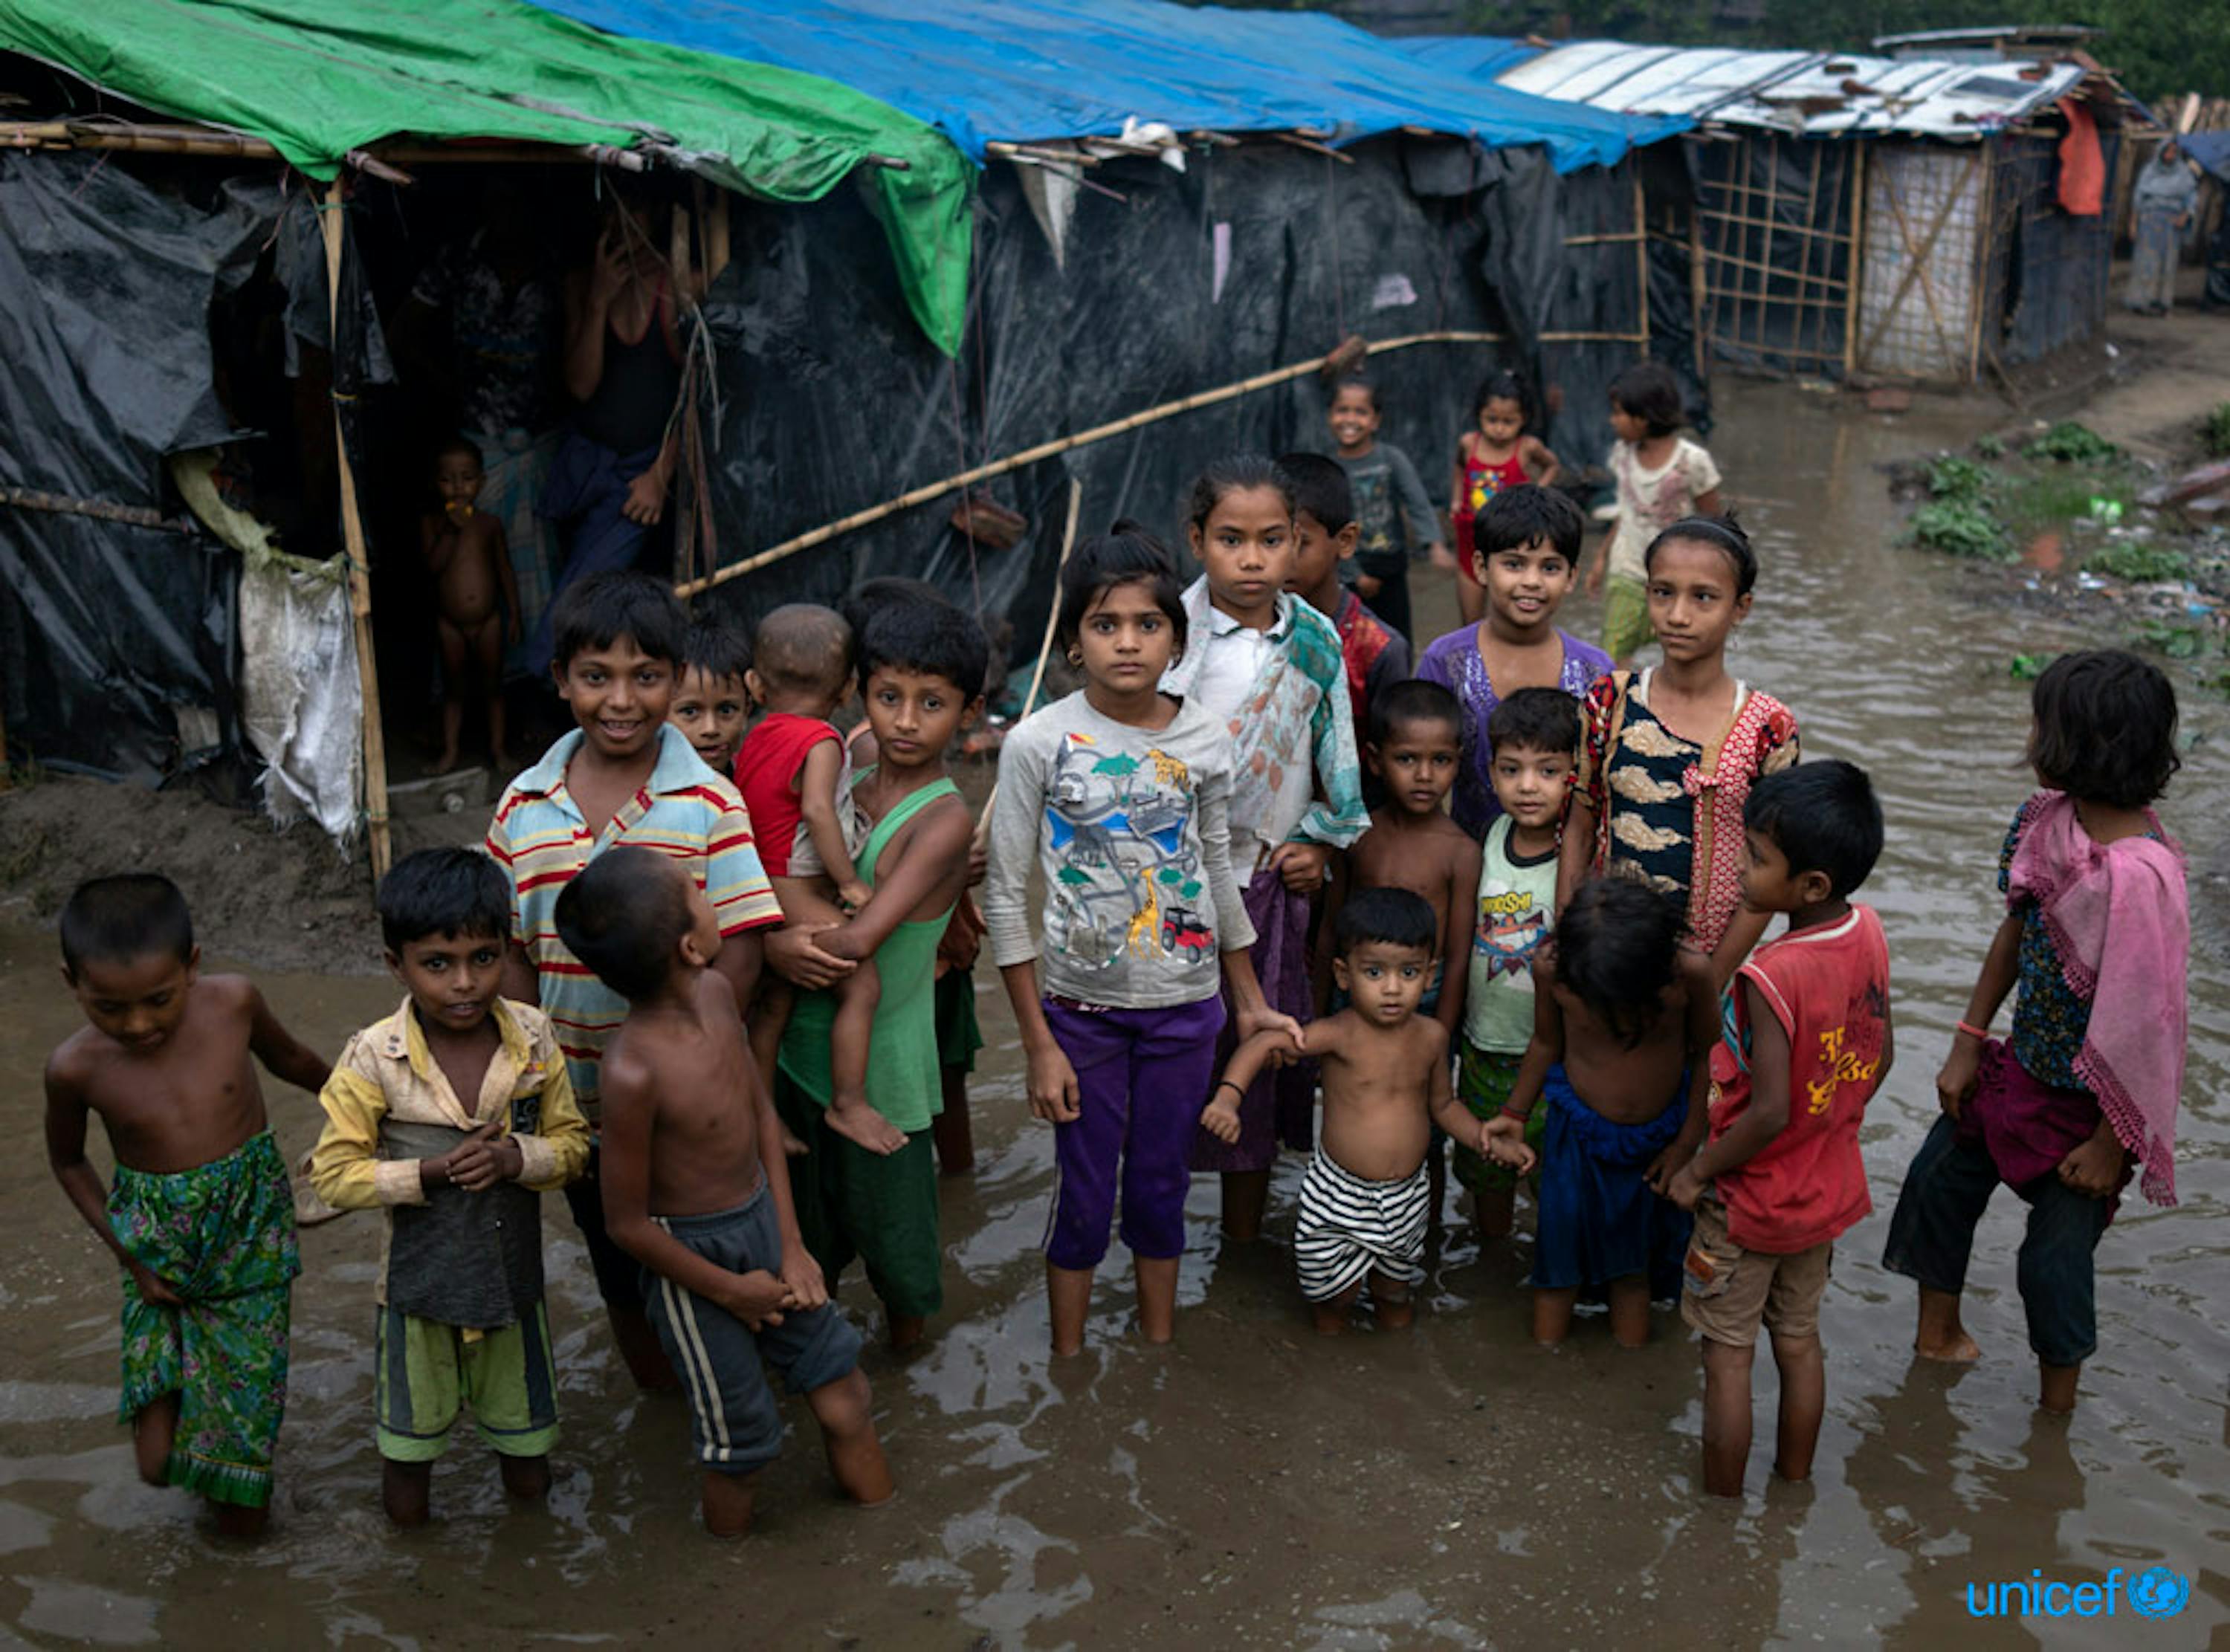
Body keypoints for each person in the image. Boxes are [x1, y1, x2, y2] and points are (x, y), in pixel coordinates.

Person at [986, 526, 1297, 1355]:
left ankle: (1158, 1352)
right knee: (1084, 1192)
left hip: (1185, 1010)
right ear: (1074, 643)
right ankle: (1070, 1362)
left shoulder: (1201, 739)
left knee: (1162, 1187)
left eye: (1146, 624)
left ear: (1177, 639)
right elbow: (1007, 897)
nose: (1127, 641)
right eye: (1104, 623)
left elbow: (1218, 873)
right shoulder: (1037, 743)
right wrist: (1038, 1044)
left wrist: (1252, 1001)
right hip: (1079, 1014)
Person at [486, 571, 783, 1390]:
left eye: (646, 677)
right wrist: (528, 1069)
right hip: (575, 1102)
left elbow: (746, 947)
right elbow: (512, 949)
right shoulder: (522, 805)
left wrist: (705, 1057)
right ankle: (658, 1396)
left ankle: (725, 1387)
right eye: (596, 677)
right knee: (617, 1251)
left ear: (675, 679)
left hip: (691, 1102)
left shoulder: (708, 802)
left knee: (716, 1239)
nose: (621, 700)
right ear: (561, 682)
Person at [1881, 650, 2188, 1416]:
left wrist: (2114, 1142)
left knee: (2052, 1265)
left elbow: (2148, 1024)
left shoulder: (2141, 875)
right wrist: (1965, 1041)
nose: (2030, 734)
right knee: (1934, 1187)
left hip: (2090, 1110)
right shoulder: (2043, 819)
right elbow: (2016, 932)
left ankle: (2055, 1415)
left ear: (2080, 742)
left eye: (2042, 722)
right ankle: (1937, 1338)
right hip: (2016, 1067)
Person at [554, 847, 893, 1537]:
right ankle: (730, 1584)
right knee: (743, 1443)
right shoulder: (631, 1070)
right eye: (700, 895)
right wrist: (729, 1290)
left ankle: (887, 1530)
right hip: (691, 1266)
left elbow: (760, 1115)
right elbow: (625, 1224)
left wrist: (794, 1248)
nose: (715, 903)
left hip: (764, 1223)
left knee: (845, 1394)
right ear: (689, 941)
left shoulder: (715, 996)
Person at [307, 849, 589, 1526]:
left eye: (483, 958)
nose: (464, 983)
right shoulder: (373, 1056)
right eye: (437, 964)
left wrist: (518, 1160)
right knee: (408, 1458)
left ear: (505, 950)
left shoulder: (533, 1037)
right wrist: (428, 1172)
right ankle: (415, 1586)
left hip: (512, 1285)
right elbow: (331, 1175)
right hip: (417, 1294)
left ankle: (531, 1566)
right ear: (394, 965)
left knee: (528, 1454)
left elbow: (575, 1145)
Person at [42, 874, 329, 1536]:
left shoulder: (234, 1003)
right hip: (153, 1247)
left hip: (250, 1237)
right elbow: (67, 1160)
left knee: (242, 1502)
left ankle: (237, 1518)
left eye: (158, 1000)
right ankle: (205, 1438)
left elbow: (295, 1061)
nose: (137, 1024)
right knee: (154, 1464)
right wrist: (130, 1255)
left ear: (193, 967)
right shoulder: (73, 1067)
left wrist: (368, 1111)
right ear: (71, 982)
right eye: (109, 1008)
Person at [1659, 762, 1892, 1497]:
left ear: (1811, 886)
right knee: (1797, 1344)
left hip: (1750, 1200)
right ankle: (1794, 1487)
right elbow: (1880, 1055)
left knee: (1726, 1357)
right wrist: (1834, 1124)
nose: (1740, 866)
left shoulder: (1771, 974)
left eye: (1757, 857)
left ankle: (1721, 1512)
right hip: (1825, 1192)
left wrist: (1697, 1173)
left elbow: (1767, 1112)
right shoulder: (1868, 931)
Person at [1161, 454, 1371, 1242]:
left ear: (1296, 545)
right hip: (1175, 887)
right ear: (1196, 540)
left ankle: (1241, 1248)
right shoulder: (1170, 635)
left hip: (1267, 884)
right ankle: (1162, 1239)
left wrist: (1319, 841)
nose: (1251, 561)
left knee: (1257, 1064)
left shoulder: (1315, 639)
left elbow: (1338, 768)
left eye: (1271, 540)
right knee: (1176, 1063)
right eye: (1230, 540)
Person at [772, 601, 984, 1351]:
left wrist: (772, 944)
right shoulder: (847, 768)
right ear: (860, 692)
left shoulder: (944, 819)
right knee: (807, 1242)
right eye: (888, 697)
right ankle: (824, 1361)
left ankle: (909, 1369)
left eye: (933, 705)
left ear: (969, 712)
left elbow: (859, 940)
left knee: (898, 1251)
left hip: (884, 1068)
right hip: (802, 1048)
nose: (905, 721)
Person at [1208, 889, 1493, 1334]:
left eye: (1410, 972)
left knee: (1395, 1294)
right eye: (1374, 972)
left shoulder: (1432, 1037)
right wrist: (1229, 1096)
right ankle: (1325, 1385)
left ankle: (1397, 1378)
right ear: (1344, 974)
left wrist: (1482, 1138)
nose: (1393, 988)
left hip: (1405, 1197)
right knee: (1332, 1301)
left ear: (1430, 974)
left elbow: (1444, 1105)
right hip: (1337, 1195)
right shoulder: (1338, 1034)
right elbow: (1267, 1042)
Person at [1563, 516, 1797, 988]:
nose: (1677, 615)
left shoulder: (1769, 728)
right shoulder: (1610, 701)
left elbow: (1772, 871)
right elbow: (1580, 826)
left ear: (1741, 607)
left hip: (1710, 970)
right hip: (1605, 957)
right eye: (1662, 592)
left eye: (1703, 597)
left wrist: (1710, 981)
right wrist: (1570, 940)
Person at [1482, 875, 1717, 1347]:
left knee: (1633, 1273)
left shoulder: (1689, 972)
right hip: (1576, 1134)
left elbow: (1709, 1053)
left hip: (1657, 1143)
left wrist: (1688, 1144)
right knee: (1557, 1262)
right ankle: (1543, 1374)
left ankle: (1626, 1381)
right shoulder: (1554, 969)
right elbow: (1547, 1041)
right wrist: (1515, 1113)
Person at [732, 605, 894, 1156]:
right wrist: (848, 883)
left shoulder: (753, 737)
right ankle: (848, 1102)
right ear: (850, 687)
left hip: (755, 886)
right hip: (796, 886)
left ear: (754, 683)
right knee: (864, 985)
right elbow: (820, 813)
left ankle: (761, 1117)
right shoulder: (821, 740)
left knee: (771, 1008)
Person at [401, 182, 566, 674]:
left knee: (539, 572)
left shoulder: (555, 265)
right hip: (477, 439)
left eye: (519, 202)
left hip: (541, 440)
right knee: (470, 567)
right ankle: (465, 697)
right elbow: (401, 332)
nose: (510, 213)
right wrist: (446, 383)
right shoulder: (456, 261)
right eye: (501, 201)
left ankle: (533, 685)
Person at [526, 191, 688, 673]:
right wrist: (599, 299)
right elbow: (580, 385)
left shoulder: (677, 288)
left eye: (633, 209)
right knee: (559, 578)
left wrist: (661, 472)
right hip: (581, 463)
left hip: (639, 472)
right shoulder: (584, 285)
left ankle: (545, 679)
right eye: (611, 213)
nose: (622, 225)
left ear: (656, 212)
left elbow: (699, 397)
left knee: (584, 588)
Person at [1452, 687, 1579, 1240]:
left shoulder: (1580, 854)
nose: (1528, 786)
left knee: (1554, 1179)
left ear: (1576, 773)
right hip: (1485, 1044)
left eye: (1548, 770)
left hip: (1554, 1055)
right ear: (1491, 771)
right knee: (1487, 1172)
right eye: (1512, 769)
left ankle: (1546, 1275)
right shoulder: (1492, 836)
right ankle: (1493, 1261)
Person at [1416, 485, 1609, 838]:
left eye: (1550, 567)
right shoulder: (1444, 662)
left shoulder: (1596, 674)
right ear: (1481, 567)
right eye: (1514, 564)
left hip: (1564, 862)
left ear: (1572, 578)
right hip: (1469, 858)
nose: (1531, 582)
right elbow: (1419, 771)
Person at [1325, 679, 1479, 1046]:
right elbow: (1330, 931)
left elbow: (1458, 958)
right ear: (1376, 761)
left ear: (1458, 761)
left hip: (1423, 997)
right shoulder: (1358, 836)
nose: (1424, 776)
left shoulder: (1461, 852)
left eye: (1440, 760)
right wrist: (1318, 1013)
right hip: (1355, 989)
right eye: (1407, 759)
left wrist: (1440, 1036)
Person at [1276, 451, 1410, 771]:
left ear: (1346, 541)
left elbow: (1393, 766)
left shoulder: (1379, 650)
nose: (1282, 558)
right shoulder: (1246, 629)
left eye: (1300, 542)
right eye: (1271, 540)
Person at [1584, 363, 1722, 671]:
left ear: (1643, 419)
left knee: (1681, 650)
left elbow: (1714, 524)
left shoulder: (1691, 462)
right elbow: (1625, 512)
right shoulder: (1623, 454)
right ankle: (1617, 711)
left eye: (1619, 413)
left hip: (1677, 578)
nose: (1613, 420)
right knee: (1613, 652)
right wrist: (1600, 558)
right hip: (1627, 570)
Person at [421, 435, 521, 774]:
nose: (458, 487)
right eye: (448, 480)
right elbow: (432, 568)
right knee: (454, 689)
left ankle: (498, 750)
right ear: (436, 484)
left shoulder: (488, 524)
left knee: (494, 687)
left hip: (489, 620)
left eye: (467, 478)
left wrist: (514, 615)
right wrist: (450, 531)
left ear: (481, 481)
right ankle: (450, 753)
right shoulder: (433, 524)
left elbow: (504, 569)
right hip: (450, 623)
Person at [1327, 375, 1447, 645]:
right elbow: (1329, 527)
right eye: (1342, 410)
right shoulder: (1330, 468)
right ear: (1330, 415)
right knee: (1352, 642)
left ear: (1375, 421)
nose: (1350, 419)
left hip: (1391, 568)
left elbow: (1416, 500)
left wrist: (1434, 543)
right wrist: (1355, 575)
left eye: (1360, 412)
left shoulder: (1391, 459)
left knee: (1397, 640)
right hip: (1349, 572)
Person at [1449, 371, 1562, 626]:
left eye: (1508, 421)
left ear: (1523, 419)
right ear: (1479, 414)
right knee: (1470, 622)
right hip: (1470, 539)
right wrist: (1456, 499)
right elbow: (1458, 468)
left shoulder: (1527, 447)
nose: (1499, 428)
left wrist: (1535, 494)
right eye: (1492, 419)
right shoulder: (1469, 444)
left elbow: (1553, 466)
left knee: (1515, 619)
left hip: (1511, 541)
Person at [669, 618, 752, 775]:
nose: (710, 729)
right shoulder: (642, 792)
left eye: (726, 711)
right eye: (690, 712)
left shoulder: (751, 781)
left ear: (747, 710)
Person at [2126, 141, 2200, 317]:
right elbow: (2138, 198)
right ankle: (2141, 301)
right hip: (2150, 221)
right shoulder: (2149, 172)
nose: (2170, 155)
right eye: (2167, 151)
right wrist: (2133, 223)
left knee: (2168, 263)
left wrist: (2184, 216)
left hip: (2171, 223)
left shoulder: (2183, 174)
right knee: (2146, 262)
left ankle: (2162, 303)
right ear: (2161, 152)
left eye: (2174, 152)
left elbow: (2191, 197)